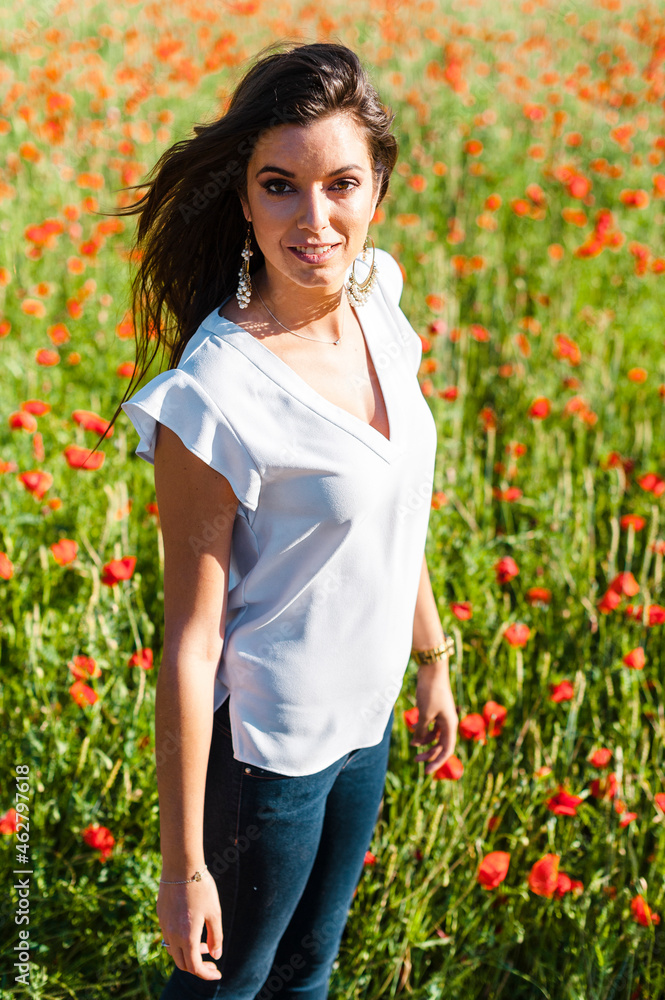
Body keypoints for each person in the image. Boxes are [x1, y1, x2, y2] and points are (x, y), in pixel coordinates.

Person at [113, 39, 459, 1000]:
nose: (316, 218)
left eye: (341, 183)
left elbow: (395, 508)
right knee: (230, 986)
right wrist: (183, 868)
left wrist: (429, 659)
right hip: (268, 754)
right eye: (281, 186)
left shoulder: (377, 303)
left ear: (377, 190)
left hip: (367, 722)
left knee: (310, 970)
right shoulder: (215, 393)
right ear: (245, 198)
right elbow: (190, 641)